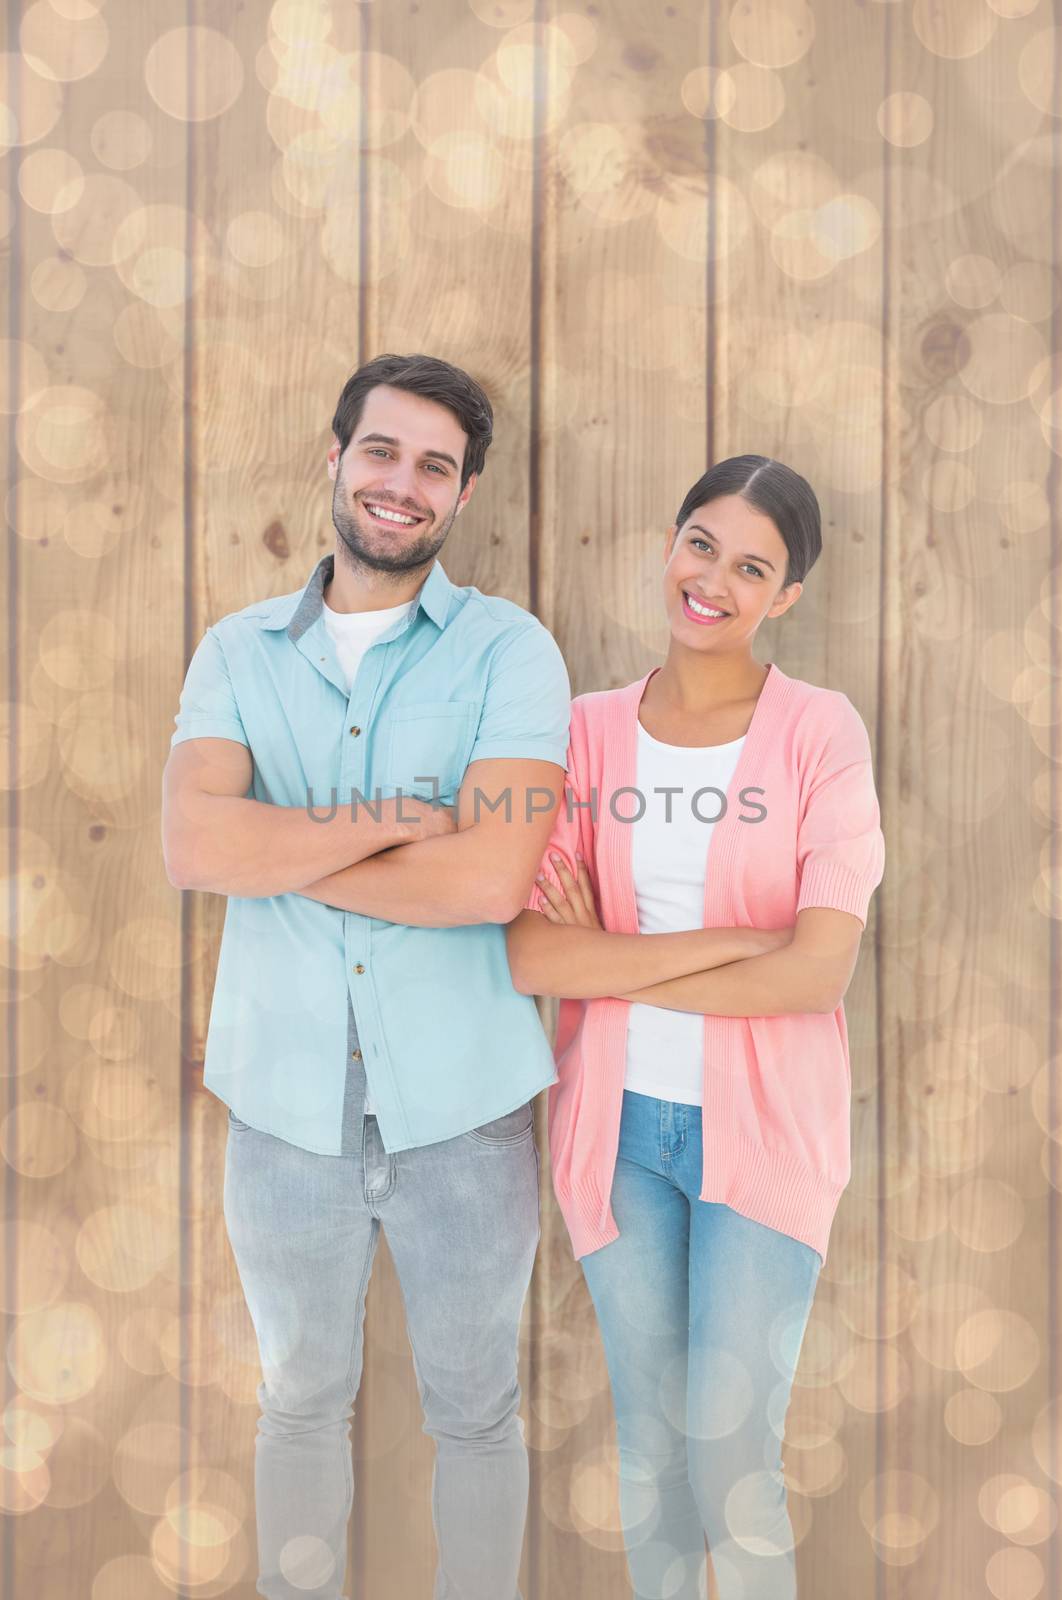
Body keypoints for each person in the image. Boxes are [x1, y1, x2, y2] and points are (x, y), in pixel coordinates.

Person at [162, 352, 572, 1600]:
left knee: (477, 1411)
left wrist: (280, 849)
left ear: (461, 496)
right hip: (283, 1109)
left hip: (468, 1109)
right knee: (297, 1405)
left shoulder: (513, 652)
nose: (404, 484)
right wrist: (396, 821)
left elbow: (492, 883)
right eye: (382, 451)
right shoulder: (235, 651)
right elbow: (194, 845)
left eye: (435, 467)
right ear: (334, 458)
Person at [505, 455, 886, 1600]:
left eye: (752, 566)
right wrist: (732, 947)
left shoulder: (821, 732)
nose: (714, 579)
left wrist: (611, 967)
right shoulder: (583, 734)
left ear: (786, 598)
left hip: (765, 1138)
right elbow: (529, 952)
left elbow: (817, 974)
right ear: (670, 544)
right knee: (653, 1456)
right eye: (701, 544)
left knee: (730, 1459)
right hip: (616, 1137)